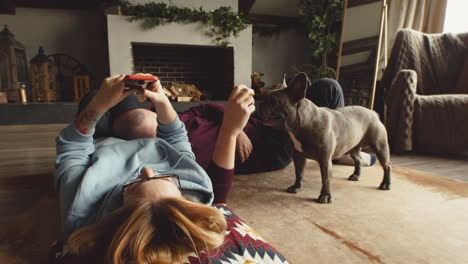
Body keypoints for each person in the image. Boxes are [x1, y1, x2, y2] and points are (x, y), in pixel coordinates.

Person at [54, 74, 256, 263]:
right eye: (166, 178)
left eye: (133, 185)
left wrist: (99, 104)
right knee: (130, 98)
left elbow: (72, 146)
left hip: (97, 138)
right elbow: (177, 140)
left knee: (93, 93)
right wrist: (162, 101)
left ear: (117, 212)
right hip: (140, 135)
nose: (148, 171)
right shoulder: (195, 190)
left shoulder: (81, 211)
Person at [78, 76, 375, 175]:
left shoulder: (175, 119)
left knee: (326, 87)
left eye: (150, 116)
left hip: (253, 121)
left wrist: (237, 126)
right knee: (327, 92)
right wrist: (233, 135)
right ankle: (339, 153)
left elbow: (207, 106)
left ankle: (339, 149)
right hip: (272, 141)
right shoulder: (176, 158)